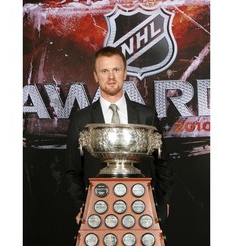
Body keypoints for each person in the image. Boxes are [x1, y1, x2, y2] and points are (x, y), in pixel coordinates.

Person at [65, 46, 174, 225]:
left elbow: (163, 163)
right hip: (97, 209)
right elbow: (72, 170)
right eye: (104, 71)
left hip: (142, 208)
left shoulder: (147, 115)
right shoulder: (81, 120)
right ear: (95, 76)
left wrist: (163, 201)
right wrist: (82, 206)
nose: (111, 77)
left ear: (124, 73)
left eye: (116, 69)